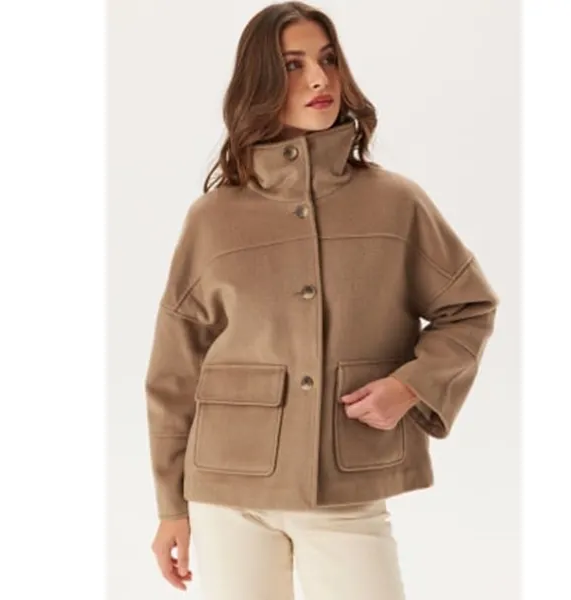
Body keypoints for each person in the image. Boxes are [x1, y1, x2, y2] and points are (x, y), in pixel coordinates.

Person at [144, 2, 499, 598]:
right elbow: (175, 370)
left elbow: (468, 308)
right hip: (226, 492)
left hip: (345, 485)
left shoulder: (395, 202)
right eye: (293, 65)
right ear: (260, 82)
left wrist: (411, 385)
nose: (319, 79)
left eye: (328, 60)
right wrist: (169, 507)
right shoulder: (213, 217)